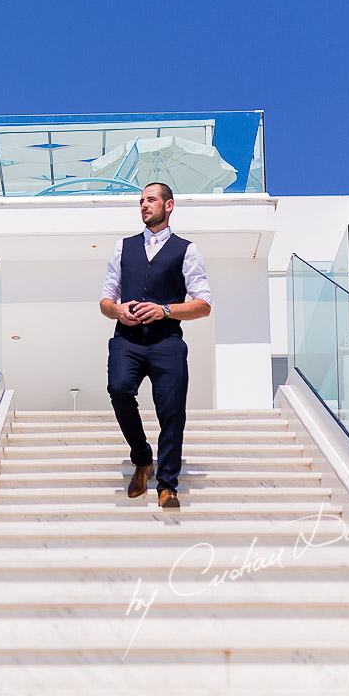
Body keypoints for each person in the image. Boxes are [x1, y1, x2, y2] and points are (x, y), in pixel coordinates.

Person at [98, 183, 212, 509]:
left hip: (167, 342)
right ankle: (142, 458)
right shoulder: (122, 248)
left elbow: (203, 304)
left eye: (151, 199)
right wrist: (117, 310)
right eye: (141, 201)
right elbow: (106, 300)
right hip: (127, 340)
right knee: (119, 388)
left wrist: (165, 310)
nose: (144, 205)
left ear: (169, 205)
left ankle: (167, 485)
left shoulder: (187, 250)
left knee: (172, 412)